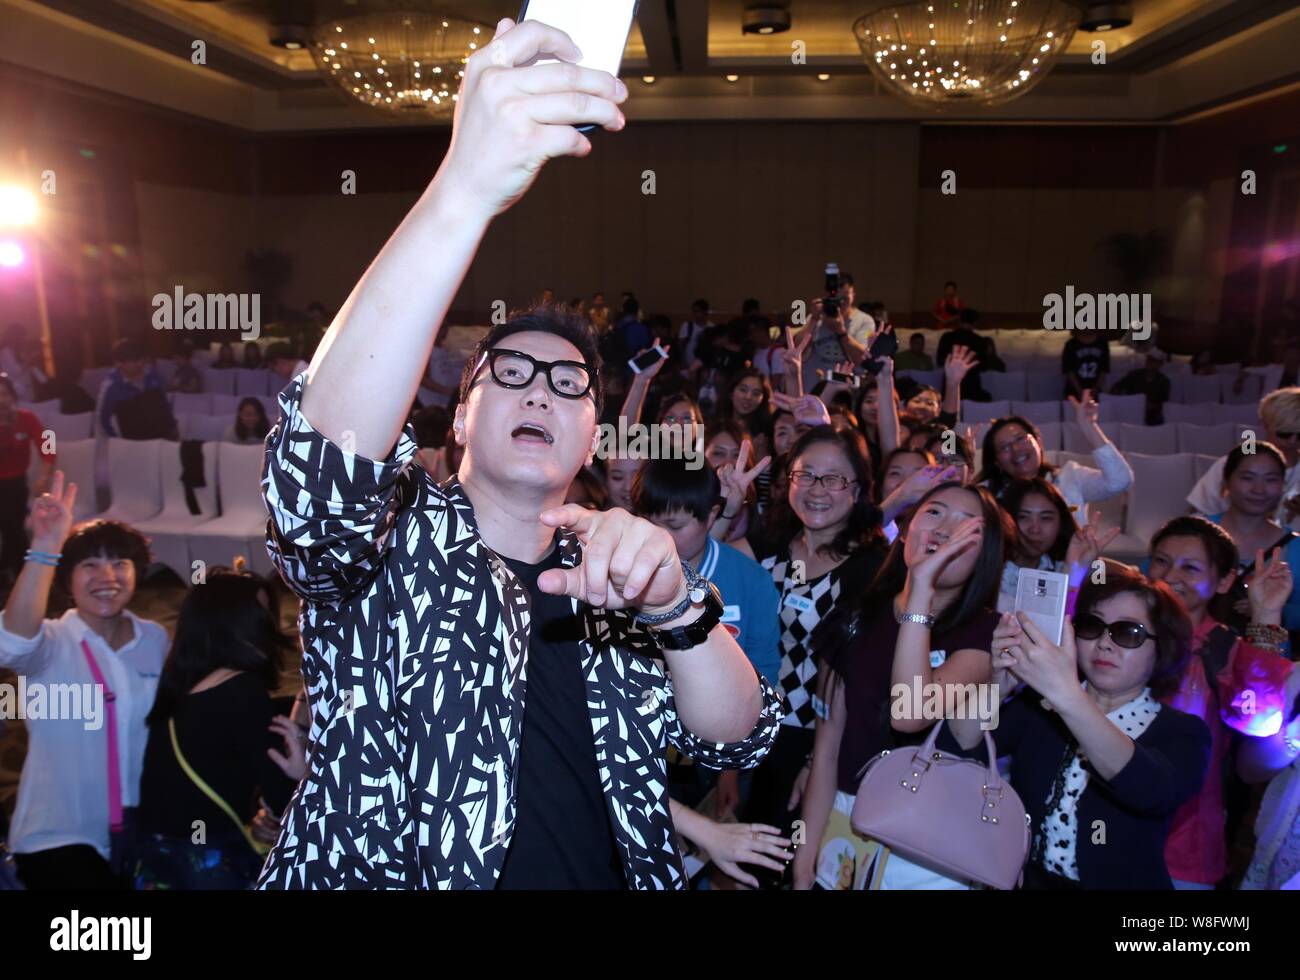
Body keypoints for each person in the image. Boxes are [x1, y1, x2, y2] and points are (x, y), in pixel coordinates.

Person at [253, 19, 780, 890]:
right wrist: (463, 187)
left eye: (570, 385)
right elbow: (317, 477)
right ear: (460, 418)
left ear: (594, 439)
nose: (541, 389)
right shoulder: (388, 544)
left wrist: (677, 606)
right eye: (512, 373)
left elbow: (734, 735)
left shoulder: (620, 567)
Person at [946, 561, 1212, 889]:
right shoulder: (1040, 709)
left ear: (1162, 649)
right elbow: (956, 744)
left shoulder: (1184, 732)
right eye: (1091, 626)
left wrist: (1068, 697)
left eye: (1128, 633)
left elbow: (1148, 789)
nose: (1104, 643)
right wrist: (999, 683)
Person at [796, 481, 1008, 889]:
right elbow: (826, 751)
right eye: (935, 513)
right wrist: (804, 860)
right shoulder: (854, 617)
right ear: (907, 528)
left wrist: (922, 592)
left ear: (985, 555)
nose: (945, 530)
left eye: (968, 527)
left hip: (931, 845)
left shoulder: (984, 633)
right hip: (848, 825)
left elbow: (910, 713)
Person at [0, 487, 167, 889]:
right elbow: (10, 644)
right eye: (89, 565)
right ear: (67, 577)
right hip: (58, 832)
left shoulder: (155, 638)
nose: (106, 577)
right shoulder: (51, 643)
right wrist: (45, 545)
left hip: (141, 827)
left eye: (119, 563)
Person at [741, 426, 885, 852]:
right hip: (744, 730)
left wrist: (817, 762)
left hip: (813, 743)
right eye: (806, 475)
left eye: (835, 478)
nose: (817, 489)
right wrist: (728, 510)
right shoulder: (770, 544)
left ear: (857, 490)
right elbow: (702, 572)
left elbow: (864, 684)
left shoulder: (874, 570)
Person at [1146, 515, 1296, 888]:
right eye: (1161, 561)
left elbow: (1257, 720)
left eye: (1190, 567)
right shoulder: (1121, 631)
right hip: (1106, 825)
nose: (1170, 575)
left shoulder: (1223, 649)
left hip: (1185, 843)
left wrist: (1265, 614)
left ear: (1225, 580)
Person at [633, 459, 782, 821]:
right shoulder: (622, 575)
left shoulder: (749, 581)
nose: (659, 537)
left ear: (712, 515)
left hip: (717, 756)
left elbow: (761, 680)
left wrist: (729, 771)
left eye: (675, 526)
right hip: (641, 748)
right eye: (648, 523)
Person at [133, 572, 303, 889]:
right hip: (210, 869)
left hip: (158, 864)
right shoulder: (242, 689)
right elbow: (282, 800)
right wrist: (301, 773)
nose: (267, 630)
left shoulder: (176, 689)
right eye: (258, 620)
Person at [978, 395, 1133, 522]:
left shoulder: (1070, 476)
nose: (1016, 449)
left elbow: (1120, 481)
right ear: (997, 461)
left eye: (1020, 439)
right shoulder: (988, 495)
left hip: (1074, 560)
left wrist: (1089, 427)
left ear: (1038, 443)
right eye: (1004, 447)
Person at [1203, 442, 1300, 633]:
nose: (1259, 489)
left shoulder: (1295, 546)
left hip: (1268, 656)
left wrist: (1273, 608)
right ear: (1227, 480)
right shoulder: (1195, 532)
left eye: (1271, 480)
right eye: (1247, 478)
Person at [1187, 388, 1300, 530]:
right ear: (1265, 425)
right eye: (1284, 433)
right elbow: (1199, 513)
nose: (1292, 441)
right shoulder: (1230, 463)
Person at [0, 374, 56, 586]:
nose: (1, 400)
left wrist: (44, 474)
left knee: (11, 525)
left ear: (12, 396)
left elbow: (48, 439)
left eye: (4, 394)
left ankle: (18, 571)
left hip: (15, 484)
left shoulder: (26, 418)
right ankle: (17, 569)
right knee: (11, 527)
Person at [98, 338, 171, 439]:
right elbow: (102, 420)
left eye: (141, 359)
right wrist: (118, 442)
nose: (140, 364)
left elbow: (166, 409)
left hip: (162, 438)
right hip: (133, 443)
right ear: (118, 363)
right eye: (134, 361)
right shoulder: (111, 387)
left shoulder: (153, 375)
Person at [1111, 347, 1171, 426]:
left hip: (1151, 415)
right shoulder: (1134, 375)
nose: (1150, 363)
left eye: (1154, 361)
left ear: (1160, 364)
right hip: (1130, 410)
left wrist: (1148, 406)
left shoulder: (1164, 381)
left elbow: (1163, 403)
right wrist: (1123, 401)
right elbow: (1116, 387)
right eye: (1149, 359)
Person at [1062, 327, 1110, 399]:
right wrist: (1079, 390)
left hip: (1095, 390)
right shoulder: (1070, 345)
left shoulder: (1102, 343)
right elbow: (1069, 370)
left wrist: (1096, 388)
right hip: (1074, 391)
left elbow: (1104, 369)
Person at [678, 299, 712, 373]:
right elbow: (681, 345)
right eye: (694, 311)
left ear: (705, 312)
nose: (695, 314)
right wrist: (683, 361)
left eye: (697, 311)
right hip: (688, 361)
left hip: (704, 364)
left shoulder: (711, 328)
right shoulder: (687, 326)